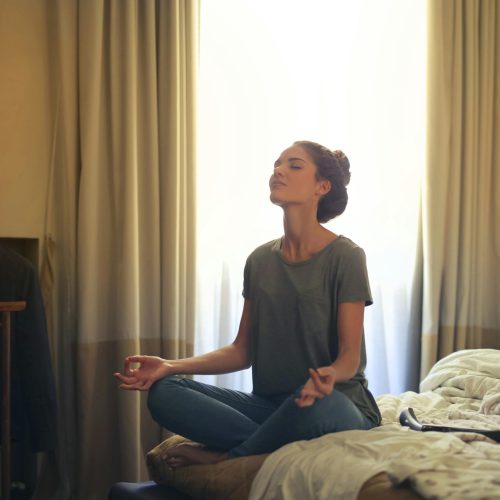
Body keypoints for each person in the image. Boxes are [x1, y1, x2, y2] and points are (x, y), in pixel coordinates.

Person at [114, 140, 381, 469]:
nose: (278, 171)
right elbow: (242, 351)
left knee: (314, 405)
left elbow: (350, 357)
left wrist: (330, 373)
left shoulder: (346, 256)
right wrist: (171, 365)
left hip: (334, 403)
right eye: (276, 165)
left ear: (322, 186)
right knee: (165, 392)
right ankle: (269, 443)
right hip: (270, 407)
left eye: (294, 165)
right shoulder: (259, 261)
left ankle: (230, 457)